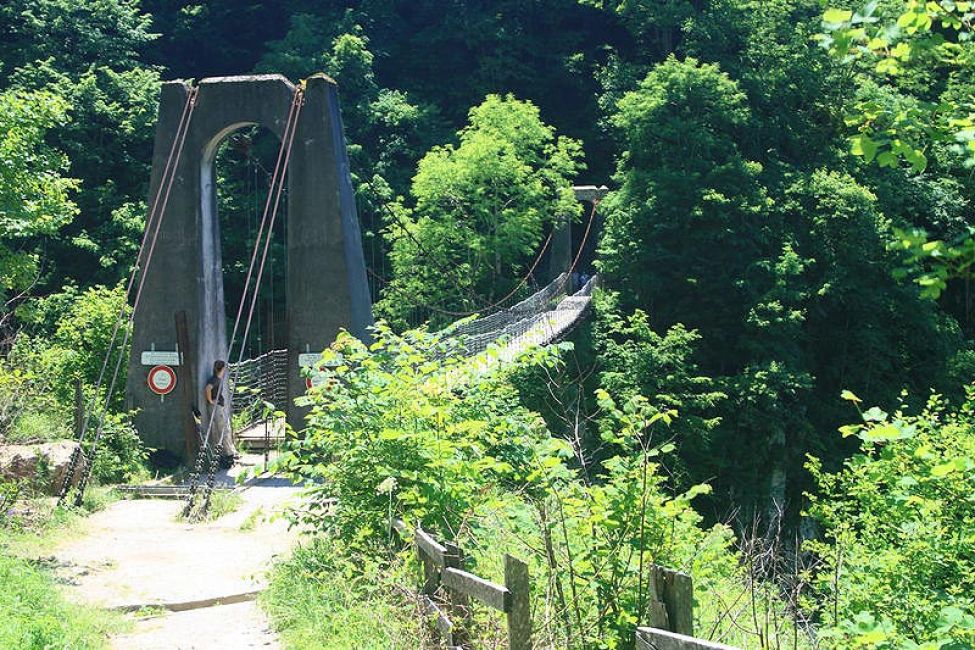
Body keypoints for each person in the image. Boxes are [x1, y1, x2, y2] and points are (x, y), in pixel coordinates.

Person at [204, 360, 238, 464]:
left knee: (221, 430)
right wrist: (210, 400)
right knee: (223, 430)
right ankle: (228, 454)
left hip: (218, 407)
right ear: (222, 369)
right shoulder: (215, 380)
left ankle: (224, 453)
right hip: (217, 407)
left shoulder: (217, 379)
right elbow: (208, 388)